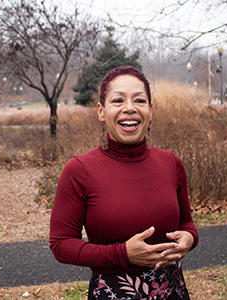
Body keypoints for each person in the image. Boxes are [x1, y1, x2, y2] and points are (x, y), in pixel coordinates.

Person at [49, 66, 199, 300]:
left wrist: (190, 238)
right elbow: (61, 244)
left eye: (139, 100)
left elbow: (186, 223)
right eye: (118, 100)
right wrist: (123, 255)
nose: (129, 108)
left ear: (150, 110)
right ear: (101, 111)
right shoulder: (79, 170)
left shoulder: (171, 163)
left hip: (173, 292)